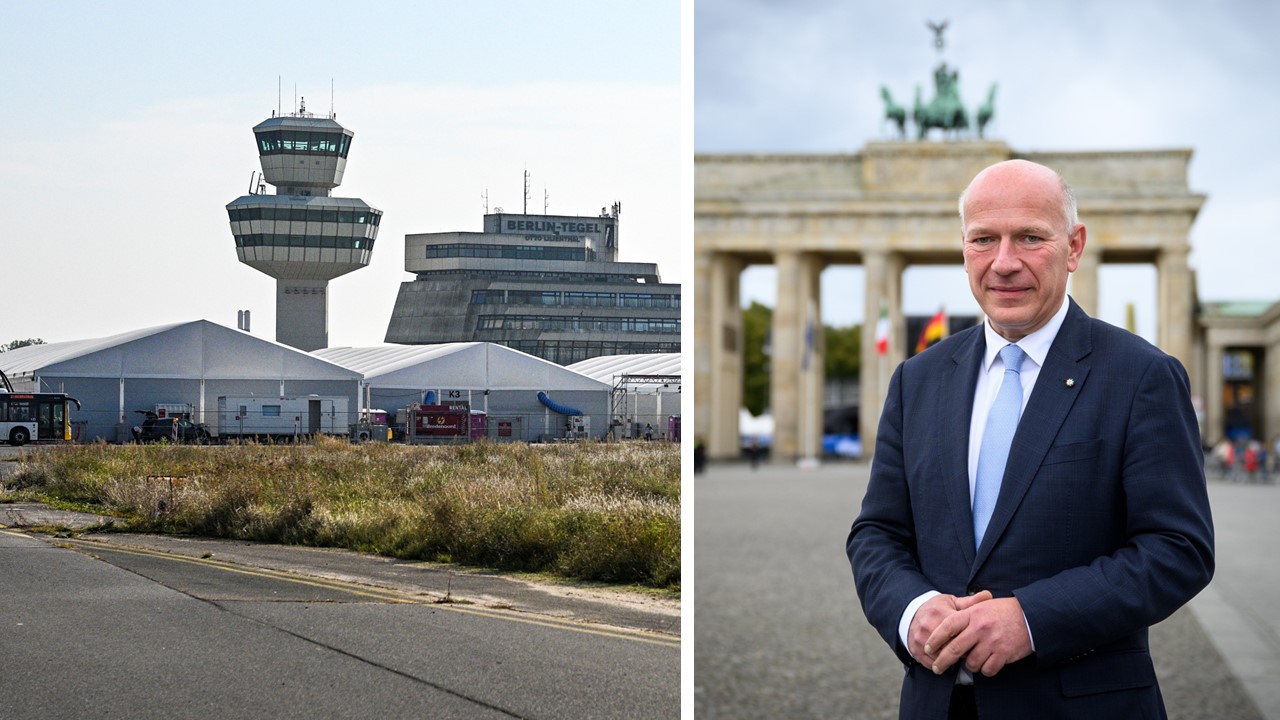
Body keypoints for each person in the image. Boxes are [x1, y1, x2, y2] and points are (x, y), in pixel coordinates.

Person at [846, 159, 1214, 719]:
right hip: (938, 703)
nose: (1004, 262)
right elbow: (877, 532)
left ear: (1073, 246)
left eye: (1030, 238)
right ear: (963, 247)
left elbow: (1179, 549)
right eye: (984, 239)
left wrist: (1032, 619)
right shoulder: (917, 380)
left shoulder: (1141, 377)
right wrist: (910, 608)